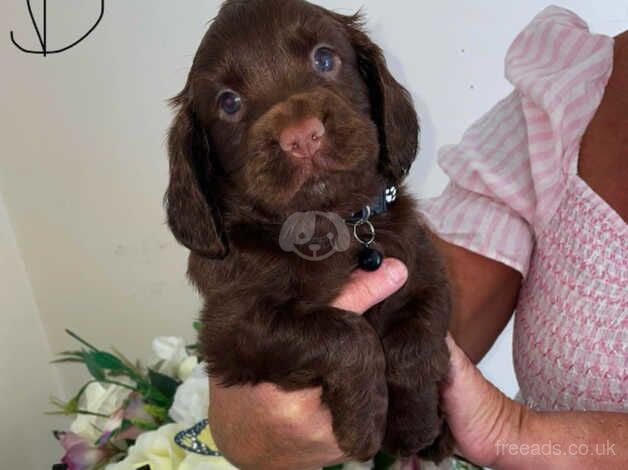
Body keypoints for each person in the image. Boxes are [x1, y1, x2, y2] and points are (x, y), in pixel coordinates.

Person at [208, 7, 627, 469]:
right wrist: (247, 420)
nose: (299, 130)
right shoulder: (566, 93)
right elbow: (423, 307)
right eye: (230, 103)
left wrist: (515, 433)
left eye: (324, 62)